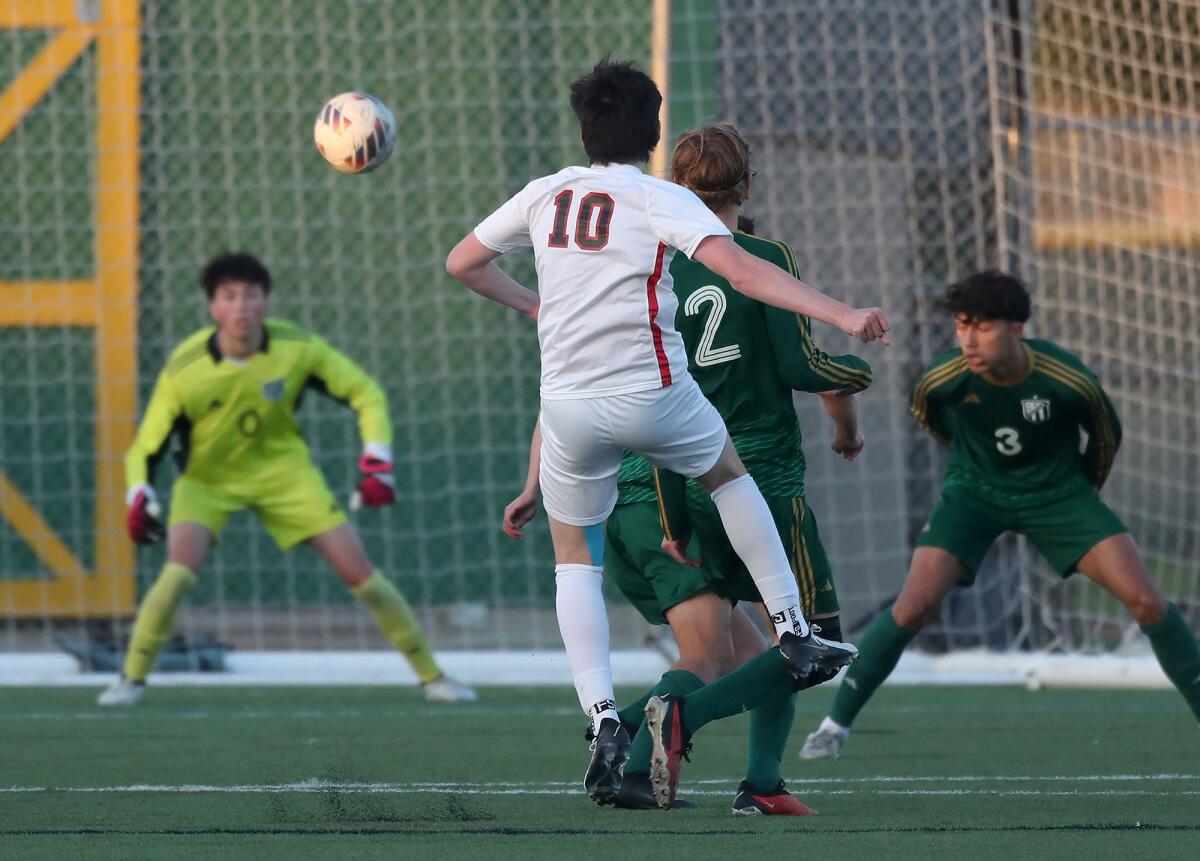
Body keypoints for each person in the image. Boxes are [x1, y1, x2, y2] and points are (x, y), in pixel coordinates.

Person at [447, 58, 886, 802]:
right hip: (650, 393)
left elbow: (463, 262)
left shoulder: (545, 194)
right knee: (728, 474)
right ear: (652, 133)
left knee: (572, 562)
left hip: (568, 410)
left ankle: (600, 717)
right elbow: (743, 272)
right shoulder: (654, 197)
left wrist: (533, 305)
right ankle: (791, 627)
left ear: (584, 128)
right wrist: (841, 314)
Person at [798, 270, 1200, 759]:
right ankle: (833, 726)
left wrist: (1078, 493)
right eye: (962, 325)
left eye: (983, 327)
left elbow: (1104, 436)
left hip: (1058, 497)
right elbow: (926, 411)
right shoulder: (945, 376)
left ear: (1016, 330)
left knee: (1146, 601)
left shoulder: (1067, 379)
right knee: (914, 606)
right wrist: (973, 460)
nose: (968, 337)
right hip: (974, 492)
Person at [98, 252, 475, 706]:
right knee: (177, 573)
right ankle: (131, 679)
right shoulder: (186, 368)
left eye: (251, 296)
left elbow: (365, 392)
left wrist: (377, 458)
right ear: (213, 308)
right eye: (229, 297)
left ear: (266, 302)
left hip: (285, 473)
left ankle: (433, 678)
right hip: (206, 481)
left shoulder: (297, 348)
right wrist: (137, 492)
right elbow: (146, 445)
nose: (241, 307)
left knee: (362, 575)